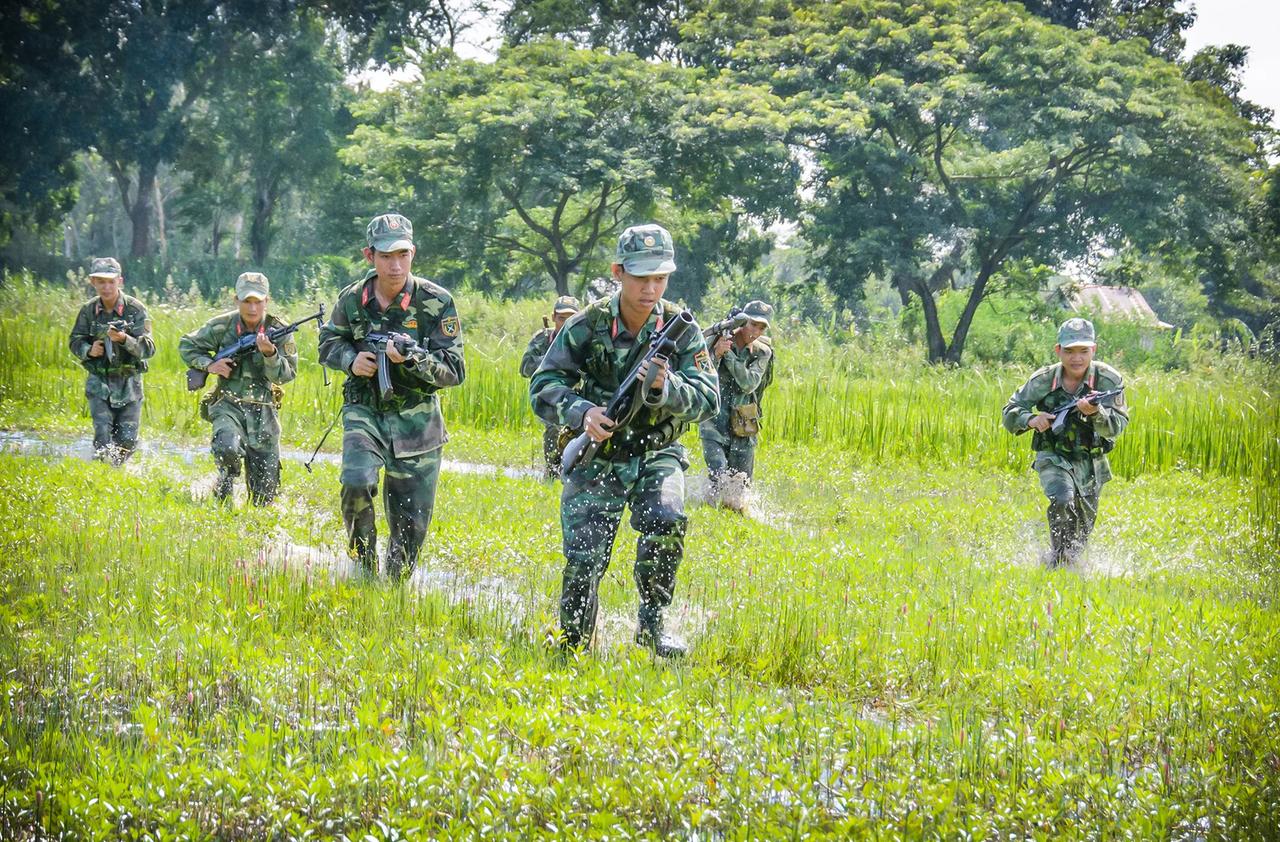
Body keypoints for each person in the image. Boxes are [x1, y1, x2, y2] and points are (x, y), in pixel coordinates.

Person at [530, 223, 719, 657]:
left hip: (658, 452)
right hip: (599, 454)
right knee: (584, 556)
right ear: (618, 272)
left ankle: (653, 627)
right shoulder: (587, 324)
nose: (651, 288)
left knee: (667, 521)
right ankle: (573, 641)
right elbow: (543, 386)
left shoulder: (680, 328)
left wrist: (667, 389)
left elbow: (709, 398)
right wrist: (584, 414)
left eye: (660, 278)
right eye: (641, 278)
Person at [318, 213, 466, 580]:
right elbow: (328, 343)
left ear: (413, 253)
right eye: (386, 256)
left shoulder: (436, 302)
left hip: (418, 421)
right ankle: (364, 570)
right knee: (355, 481)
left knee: (410, 521)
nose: (395, 264)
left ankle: (395, 586)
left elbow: (454, 370)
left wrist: (413, 358)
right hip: (364, 410)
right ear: (369, 256)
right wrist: (352, 360)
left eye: (403, 254)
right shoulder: (352, 300)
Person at [1002, 318, 1129, 567]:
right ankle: (1057, 561)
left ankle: (1065, 562)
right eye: (1069, 351)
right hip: (1053, 454)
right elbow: (1010, 410)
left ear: (1094, 350)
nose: (1077, 358)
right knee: (1062, 499)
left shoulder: (1109, 382)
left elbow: (1118, 426)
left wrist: (1095, 413)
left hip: (1091, 461)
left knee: (1082, 529)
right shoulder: (1043, 380)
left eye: (1083, 351)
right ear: (1058, 350)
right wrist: (1031, 419)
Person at [179, 273, 298, 505]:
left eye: (257, 302)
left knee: (264, 499)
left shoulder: (280, 330)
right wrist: (210, 365)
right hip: (228, 404)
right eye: (246, 301)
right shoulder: (221, 326)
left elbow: (287, 374)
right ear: (236, 300)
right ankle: (224, 485)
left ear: (267, 301)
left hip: (264, 411)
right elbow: (187, 345)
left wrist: (270, 354)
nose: (252, 308)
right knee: (226, 446)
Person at [68, 257, 156, 465]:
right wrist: (89, 350)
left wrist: (125, 340)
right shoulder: (88, 311)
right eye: (101, 281)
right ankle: (101, 475)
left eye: (111, 281)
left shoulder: (135, 309)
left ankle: (117, 470)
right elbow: (75, 340)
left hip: (129, 383)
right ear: (93, 282)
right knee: (102, 436)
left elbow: (149, 349)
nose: (106, 286)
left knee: (127, 440)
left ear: (120, 281)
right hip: (100, 382)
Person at [698, 299, 774, 512]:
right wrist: (716, 353)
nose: (756, 331)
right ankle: (711, 516)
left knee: (741, 487)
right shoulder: (717, 339)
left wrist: (728, 355)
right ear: (741, 322)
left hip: (744, 422)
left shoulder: (762, 352)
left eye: (761, 327)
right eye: (752, 324)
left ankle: (735, 521)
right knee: (719, 476)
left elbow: (749, 383)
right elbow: (699, 371)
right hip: (713, 419)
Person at [520, 295, 582, 479]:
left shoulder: (584, 338)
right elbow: (525, 368)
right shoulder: (542, 339)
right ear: (554, 317)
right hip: (549, 395)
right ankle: (552, 471)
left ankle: (573, 472)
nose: (565, 323)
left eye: (571, 318)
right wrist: (550, 360)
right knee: (554, 428)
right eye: (562, 318)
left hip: (577, 396)